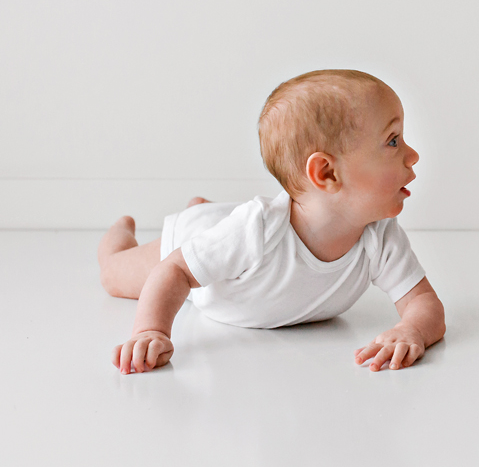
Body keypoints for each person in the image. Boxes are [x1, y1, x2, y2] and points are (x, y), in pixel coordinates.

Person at [99, 69, 444, 373]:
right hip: (198, 239)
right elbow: (173, 272)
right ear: (326, 172)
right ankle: (121, 233)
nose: (412, 155)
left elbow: (424, 304)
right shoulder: (256, 231)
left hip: (226, 238)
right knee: (115, 276)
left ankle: (202, 207)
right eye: (393, 141)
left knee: (219, 233)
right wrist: (151, 332)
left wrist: (411, 330)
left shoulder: (379, 236)